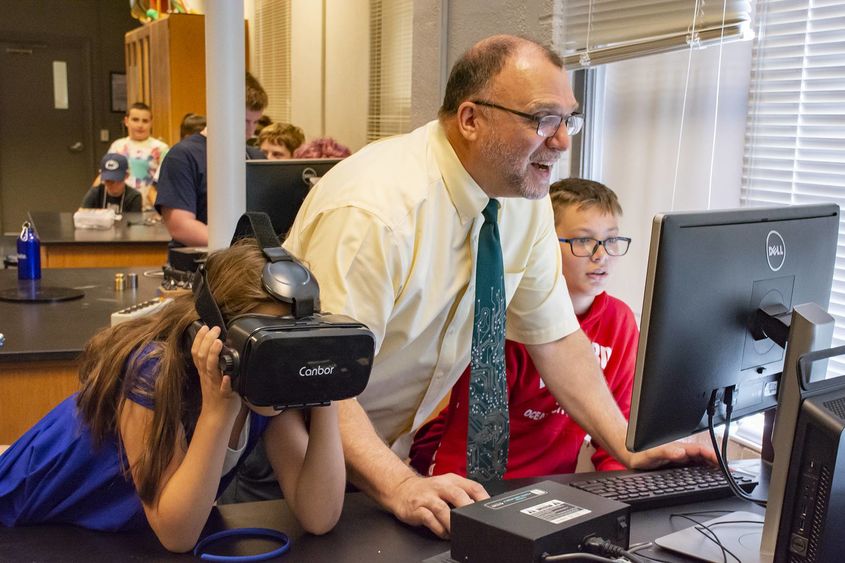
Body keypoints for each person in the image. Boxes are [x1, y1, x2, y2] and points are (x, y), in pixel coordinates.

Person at [282, 34, 714, 538]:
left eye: (568, 119)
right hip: (289, 455)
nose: (562, 141)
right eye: (542, 119)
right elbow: (319, 377)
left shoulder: (519, 201)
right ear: (471, 119)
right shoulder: (375, 213)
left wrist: (627, 444)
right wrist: (399, 485)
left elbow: (556, 338)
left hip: (375, 455)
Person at [0, 239, 344, 552]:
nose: (285, 365)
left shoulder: (264, 393)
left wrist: (328, 392)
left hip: (102, 534)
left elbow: (319, 515)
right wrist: (216, 412)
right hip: (22, 517)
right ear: (221, 339)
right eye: (270, 345)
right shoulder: (154, 372)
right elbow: (177, 535)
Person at [409, 178, 638, 478]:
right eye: (583, 240)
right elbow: (470, 438)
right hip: (480, 479)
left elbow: (617, 434)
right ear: (544, 244)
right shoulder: (508, 319)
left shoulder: (619, 323)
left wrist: (623, 496)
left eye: (611, 240)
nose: (601, 255)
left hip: (553, 487)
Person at [155, 72, 268, 247]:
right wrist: (240, 247)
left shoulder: (255, 156)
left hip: (246, 260)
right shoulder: (182, 156)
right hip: (199, 264)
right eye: (244, 121)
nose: (250, 132)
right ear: (220, 111)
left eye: (255, 123)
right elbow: (180, 226)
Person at [106, 102, 169, 211]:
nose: (140, 125)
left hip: (150, 209)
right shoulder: (117, 146)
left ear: (151, 123)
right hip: (122, 207)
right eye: (135, 120)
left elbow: (168, 182)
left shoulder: (161, 148)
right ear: (126, 121)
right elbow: (105, 177)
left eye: (145, 121)